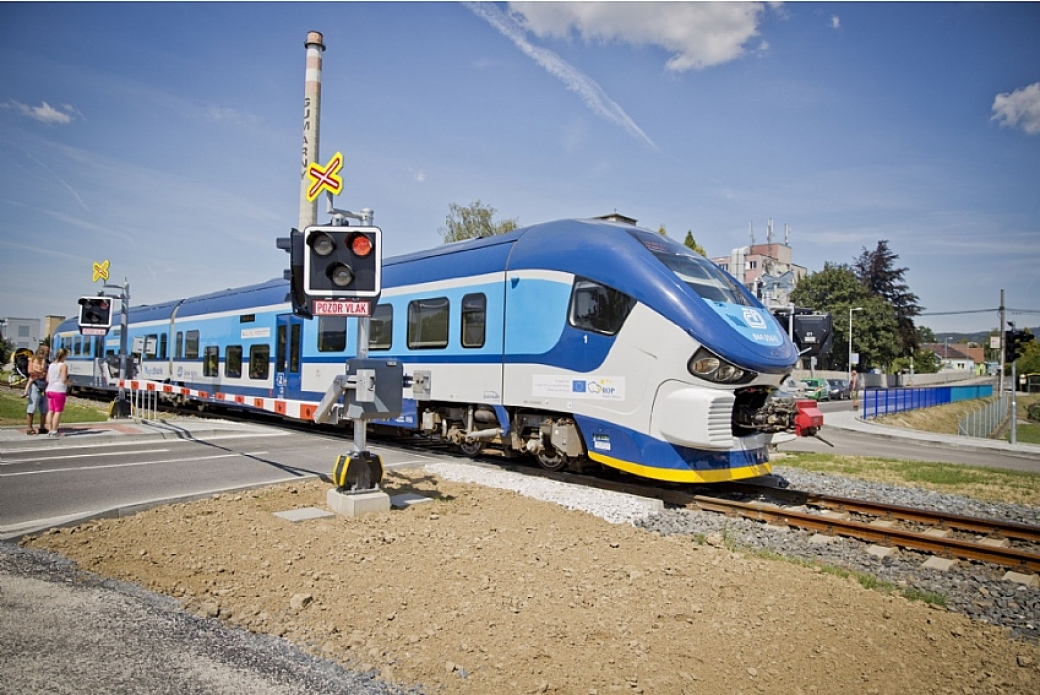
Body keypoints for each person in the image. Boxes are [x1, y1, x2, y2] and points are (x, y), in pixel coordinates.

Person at [23, 345, 50, 435]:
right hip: (35, 384)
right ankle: (29, 428)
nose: (47, 352)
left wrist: (43, 372)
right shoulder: (32, 360)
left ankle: (42, 427)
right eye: (46, 351)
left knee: (44, 408)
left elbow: (45, 371)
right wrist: (41, 372)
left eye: (47, 351)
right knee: (32, 406)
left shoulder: (45, 361)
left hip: (45, 385)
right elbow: (30, 371)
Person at [44, 348, 70, 438]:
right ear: (64, 355)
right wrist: (69, 382)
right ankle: (55, 430)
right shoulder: (63, 365)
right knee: (58, 411)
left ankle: (50, 430)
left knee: (51, 410)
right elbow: (63, 380)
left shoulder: (51, 365)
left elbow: (47, 379)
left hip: (49, 390)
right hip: (59, 390)